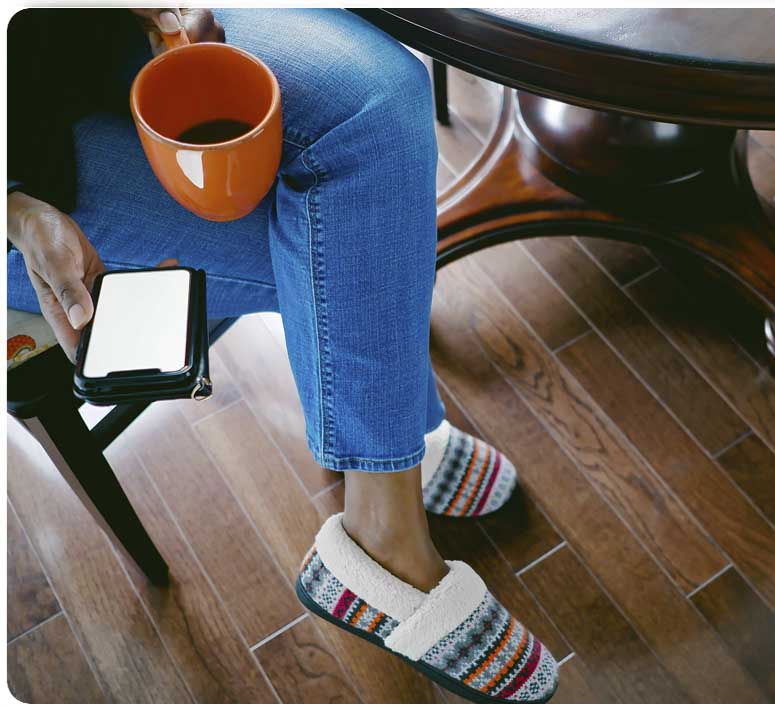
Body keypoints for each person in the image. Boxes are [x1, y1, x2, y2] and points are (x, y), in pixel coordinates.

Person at [7, 8, 558, 702]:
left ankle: (386, 443)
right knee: (352, 244)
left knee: (381, 97)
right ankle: (383, 530)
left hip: (77, 32)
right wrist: (17, 209)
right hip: (24, 175)